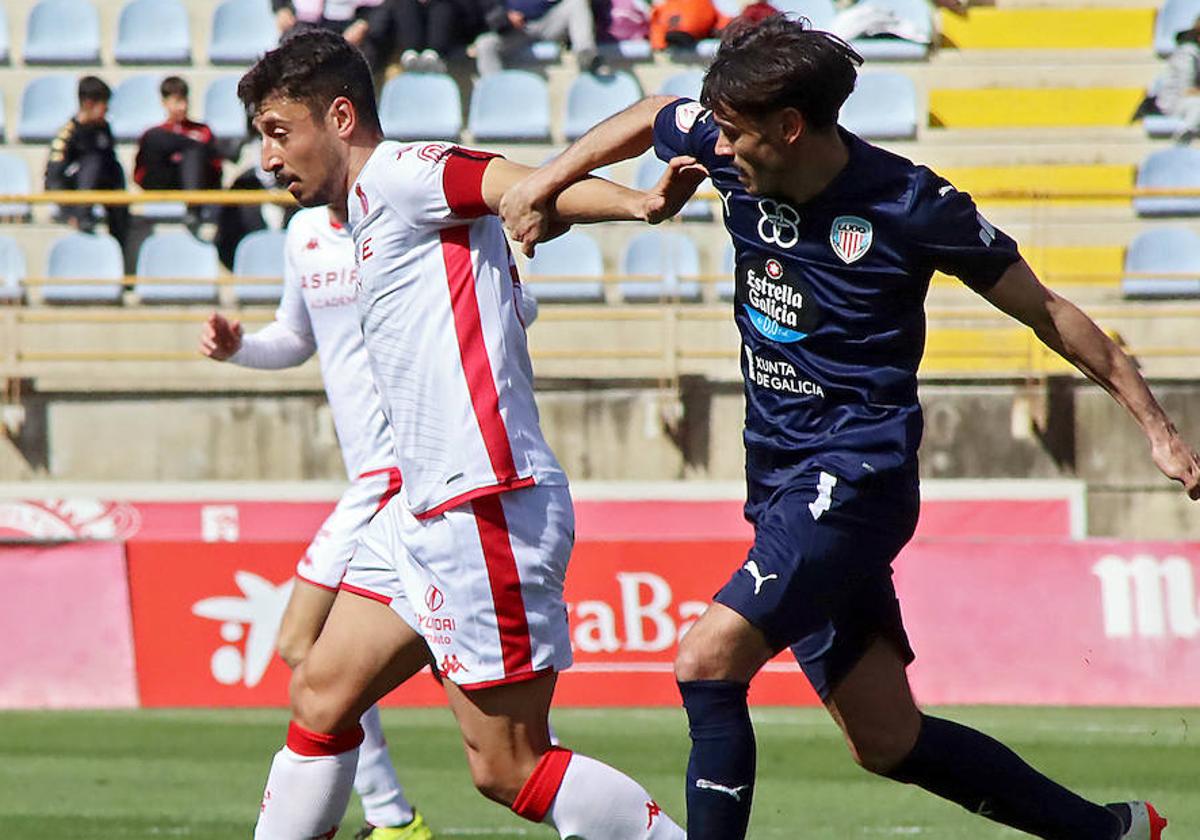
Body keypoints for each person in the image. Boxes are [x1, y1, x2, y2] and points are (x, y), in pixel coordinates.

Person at [500, 16, 1199, 840]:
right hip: (780, 478)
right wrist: (549, 182)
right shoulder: (740, 157)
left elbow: (1049, 312)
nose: (717, 149)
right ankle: (1106, 832)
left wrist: (1157, 428)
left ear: (790, 128)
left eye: (732, 134)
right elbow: (650, 110)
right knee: (887, 739)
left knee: (706, 661)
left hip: (857, 477)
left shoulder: (911, 204)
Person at [235, 28, 700, 840]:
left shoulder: (403, 175)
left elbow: (517, 185)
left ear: (339, 116)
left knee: (508, 767)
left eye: (279, 132)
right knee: (318, 694)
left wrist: (633, 202)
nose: (268, 158)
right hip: (421, 513)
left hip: (484, 503)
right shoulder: (356, 219)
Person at [199, 202, 436, 840]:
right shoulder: (304, 234)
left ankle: (392, 819)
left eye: (280, 132)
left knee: (303, 645)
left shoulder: (404, 209)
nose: (272, 159)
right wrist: (240, 349)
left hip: (401, 472)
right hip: (371, 476)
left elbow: (510, 306)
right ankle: (393, 821)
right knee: (465, 676)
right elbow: (296, 335)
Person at [44, 75, 130, 248]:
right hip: (76, 189)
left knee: (113, 167)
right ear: (89, 104)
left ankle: (120, 232)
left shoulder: (103, 128)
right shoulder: (68, 134)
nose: (106, 111)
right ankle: (83, 215)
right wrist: (69, 211)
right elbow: (54, 178)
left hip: (103, 186)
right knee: (93, 160)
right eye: (104, 105)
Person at [133, 77, 223, 230]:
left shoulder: (202, 130)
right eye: (177, 101)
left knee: (194, 153)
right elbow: (141, 173)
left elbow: (215, 169)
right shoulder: (153, 134)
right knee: (156, 139)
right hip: (162, 182)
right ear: (165, 103)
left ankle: (193, 208)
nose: (182, 107)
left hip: (196, 182)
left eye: (184, 101)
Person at [472, 0, 607, 75]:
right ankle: (495, 94)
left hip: (549, 23)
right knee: (485, 43)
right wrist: (506, 17)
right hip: (516, 31)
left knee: (577, 3)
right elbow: (487, 10)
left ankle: (586, 55)